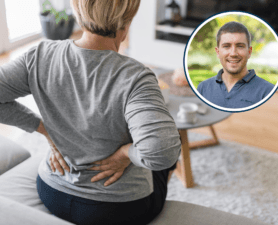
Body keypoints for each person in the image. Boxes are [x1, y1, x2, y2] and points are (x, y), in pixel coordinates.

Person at [0, 0, 181, 224]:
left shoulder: (39, 55)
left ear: (78, 13)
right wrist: (125, 154)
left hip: (52, 192)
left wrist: (44, 129)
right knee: (171, 152)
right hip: (119, 209)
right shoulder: (136, 77)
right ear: (126, 25)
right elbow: (162, 152)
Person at [197, 21, 274, 109]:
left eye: (240, 46)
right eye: (226, 46)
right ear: (218, 52)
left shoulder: (268, 92)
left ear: (249, 52)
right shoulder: (203, 88)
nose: (233, 53)